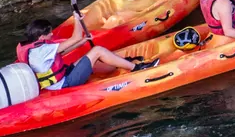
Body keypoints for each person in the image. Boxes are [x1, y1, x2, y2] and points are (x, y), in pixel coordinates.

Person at [18, 18, 154, 89]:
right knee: (97, 50)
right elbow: (75, 37)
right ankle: (137, 68)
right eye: (49, 33)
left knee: (90, 57)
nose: (52, 34)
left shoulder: (34, 48)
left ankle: (121, 64)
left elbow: (62, 52)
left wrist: (82, 42)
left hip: (64, 75)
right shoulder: (43, 49)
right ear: (41, 37)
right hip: (65, 83)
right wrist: (77, 19)